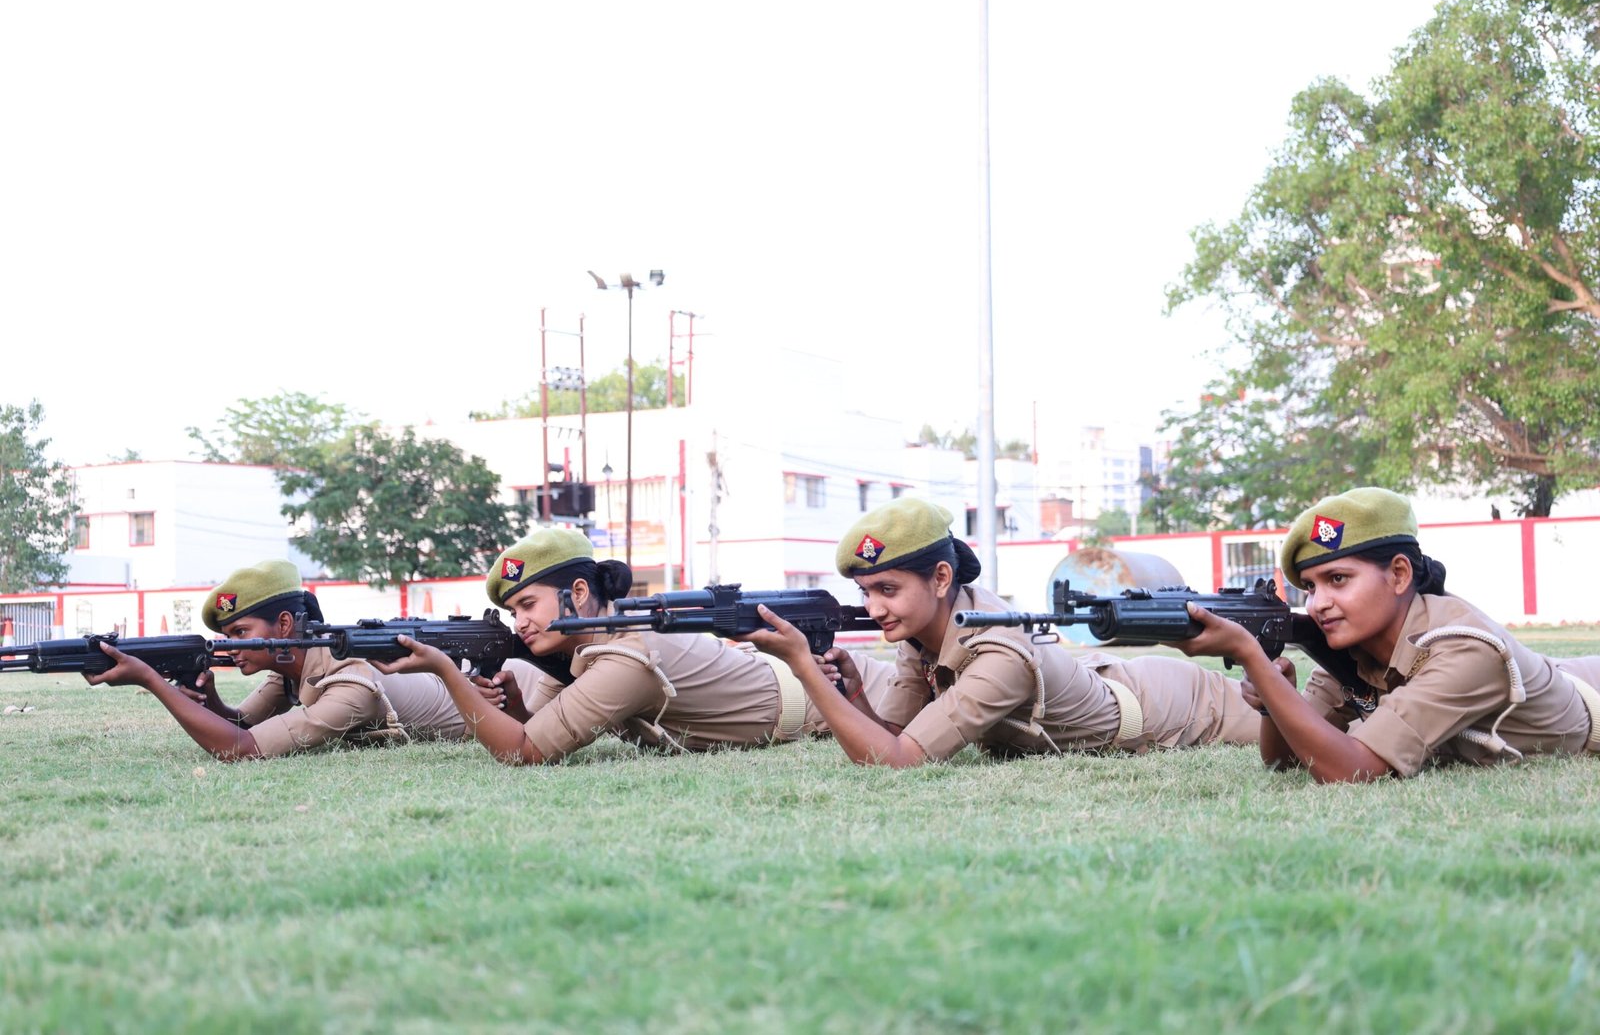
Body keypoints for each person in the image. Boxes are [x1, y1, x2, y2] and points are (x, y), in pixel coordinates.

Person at [742, 497, 1259, 767]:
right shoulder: (927, 631)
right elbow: (893, 737)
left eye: (888, 589)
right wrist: (852, 691)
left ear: (940, 578)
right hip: (1121, 683)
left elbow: (898, 763)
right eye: (866, 592)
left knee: (1318, 724)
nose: (875, 607)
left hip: (1179, 706)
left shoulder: (997, 654)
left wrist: (803, 668)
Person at [1174, 487, 1600, 783]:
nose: (1318, 603)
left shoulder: (1464, 649)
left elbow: (1349, 771)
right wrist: (1272, 697)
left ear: (1399, 574)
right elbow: (1286, 764)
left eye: (1338, 579)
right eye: (1311, 587)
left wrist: (1248, 654)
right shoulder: (1353, 649)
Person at [371, 528, 858, 765]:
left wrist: (445, 670)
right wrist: (517, 705)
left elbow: (523, 753)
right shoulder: (577, 650)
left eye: (528, 604)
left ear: (578, 593)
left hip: (813, 700)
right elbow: (534, 729)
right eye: (513, 610)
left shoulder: (626, 658)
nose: (520, 622)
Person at [85, 560, 537, 760]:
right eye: (226, 636)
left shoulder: (349, 684)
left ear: (284, 625)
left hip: (527, 688)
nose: (231, 646)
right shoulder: (293, 666)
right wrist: (212, 704)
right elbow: (243, 724)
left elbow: (242, 750)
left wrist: (149, 680)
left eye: (241, 633)